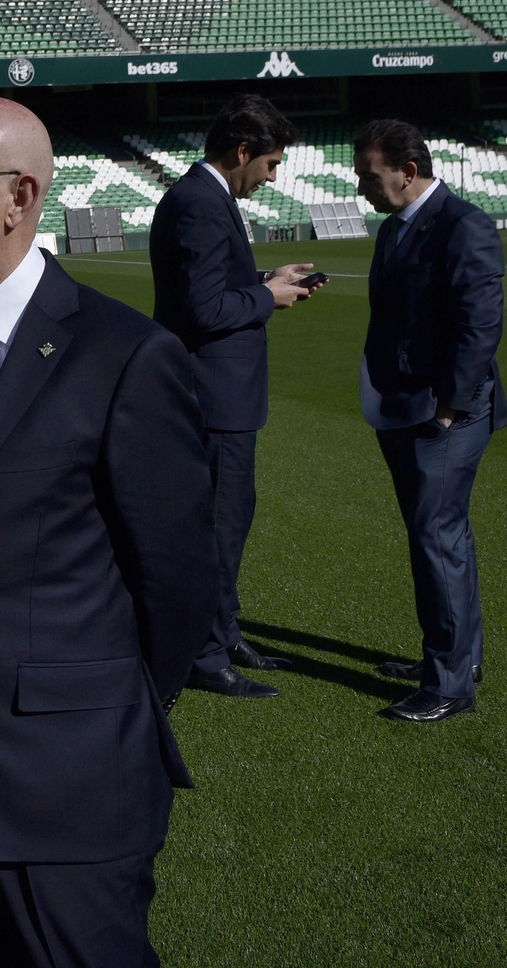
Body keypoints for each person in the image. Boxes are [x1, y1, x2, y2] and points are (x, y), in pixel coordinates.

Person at [0, 94, 217, 968]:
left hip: (74, 784)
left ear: (19, 197)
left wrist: (96, 711)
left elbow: (174, 587)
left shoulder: (125, 355)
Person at [148, 93, 325, 700]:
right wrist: (267, 298)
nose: (271, 177)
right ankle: (205, 654)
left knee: (230, 519)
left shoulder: (203, 197)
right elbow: (202, 308)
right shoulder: (199, 203)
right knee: (218, 526)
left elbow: (214, 286)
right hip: (212, 395)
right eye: (270, 164)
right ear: (243, 151)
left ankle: (224, 633)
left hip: (222, 394)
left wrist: (265, 280)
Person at [355, 118, 507, 724]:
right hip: (404, 408)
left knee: (437, 539)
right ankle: (453, 659)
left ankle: (449, 684)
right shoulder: (397, 226)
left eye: (371, 176)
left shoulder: (464, 224)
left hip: (444, 415)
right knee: (445, 538)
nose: (364, 188)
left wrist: (451, 405)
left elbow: (481, 322)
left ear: (407, 172)